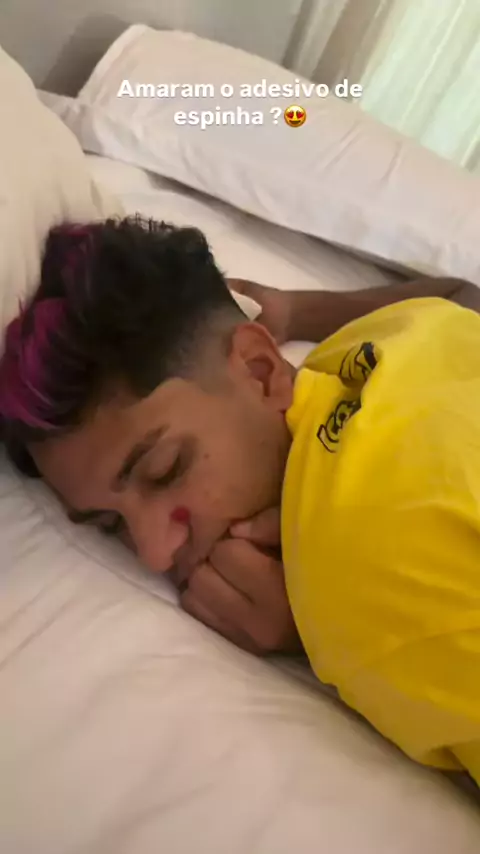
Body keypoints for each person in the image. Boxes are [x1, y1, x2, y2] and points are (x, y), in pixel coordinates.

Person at [1, 215, 480, 784]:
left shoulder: (372, 586)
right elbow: (462, 297)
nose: (154, 553)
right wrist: (298, 311)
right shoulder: (378, 347)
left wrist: (324, 631)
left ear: (261, 371)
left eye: (164, 470)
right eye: (111, 524)